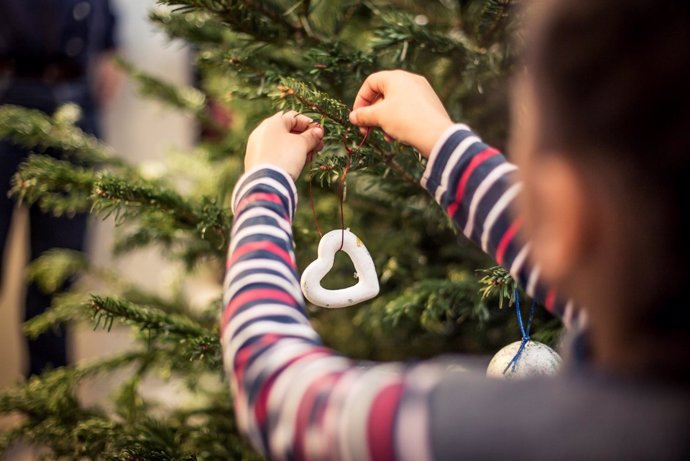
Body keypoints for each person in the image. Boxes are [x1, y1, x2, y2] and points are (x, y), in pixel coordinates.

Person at [222, 0, 689, 459]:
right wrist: (440, 138)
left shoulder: (490, 432)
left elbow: (276, 391)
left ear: (568, 216)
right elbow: (553, 234)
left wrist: (265, 184)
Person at [0, 0, 120, 376]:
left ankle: (49, 409)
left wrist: (111, 44)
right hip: (10, 91)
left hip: (76, 100)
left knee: (59, 268)